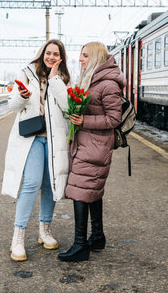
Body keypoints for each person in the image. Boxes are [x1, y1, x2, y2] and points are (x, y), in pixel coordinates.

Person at [2, 39, 71, 261]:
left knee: (50, 184)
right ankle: (18, 238)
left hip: (53, 139)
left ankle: (44, 230)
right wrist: (21, 96)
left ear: (61, 58)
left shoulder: (64, 78)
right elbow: (11, 106)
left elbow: (68, 107)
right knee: (31, 183)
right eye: (48, 53)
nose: (51, 57)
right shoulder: (26, 73)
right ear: (42, 53)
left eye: (56, 54)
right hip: (32, 138)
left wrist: (55, 80)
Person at [58, 42, 126, 262]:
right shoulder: (93, 80)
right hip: (88, 144)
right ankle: (97, 237)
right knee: (91, 191)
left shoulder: (108, 85)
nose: (80, 59)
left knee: (80, 191)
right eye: (80, 55)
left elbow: (114, 119)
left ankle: (80, 245)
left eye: (85, 55)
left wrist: (84, 120)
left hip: (95, 147)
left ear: (96, 57)